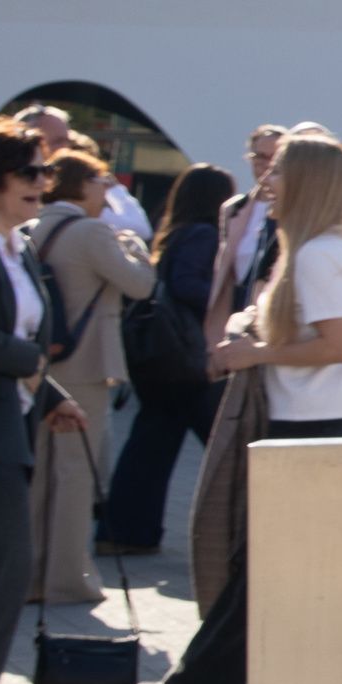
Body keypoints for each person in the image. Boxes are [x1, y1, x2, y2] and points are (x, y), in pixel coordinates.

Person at [142, 134, 342, 684]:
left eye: (276, 172)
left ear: (305, 182)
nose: (264, 182)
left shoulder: (317, 253)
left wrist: (251, 354)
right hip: (333, 420)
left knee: (271, 561)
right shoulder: (332, 246)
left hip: (320, 426)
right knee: (306, 560)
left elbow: (335, 345)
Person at [0, 123, 68, 684]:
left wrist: (53, 394)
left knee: (0, 579)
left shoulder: (13, 242)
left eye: (46, 173)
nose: (43, 184)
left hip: (7, 428)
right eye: (30, 173)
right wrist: (28, 358)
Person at [24, 147, 153, 605]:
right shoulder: (92, 231)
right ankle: (67, 578)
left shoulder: (32, 226)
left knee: (39, 473)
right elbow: (140, 284)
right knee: (77, 473)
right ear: (80, 185)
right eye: (101, 180)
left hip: (40, 365)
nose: (109, 188)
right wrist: (135, 248)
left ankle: (31, 576)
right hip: (88, 365)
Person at [103, 162, 234, 559]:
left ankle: (126, 530)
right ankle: (133, 530)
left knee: (152, 442)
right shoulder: (204, 234)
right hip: (186, 356)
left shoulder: (177, 231)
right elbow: (188, 286)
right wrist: (227, 299)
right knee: (222, 445)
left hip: (166, 355)